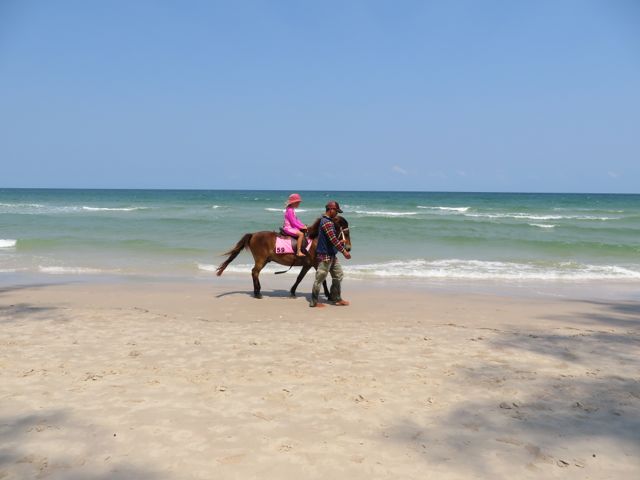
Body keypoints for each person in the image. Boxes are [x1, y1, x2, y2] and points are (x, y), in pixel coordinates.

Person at [310, 200, 351, 308]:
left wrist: (339, 242)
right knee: (320, 278)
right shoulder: (327, 222)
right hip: (325, 255)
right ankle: (314, 302)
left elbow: (330, 239)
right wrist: (344, 251)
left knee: (338, 275)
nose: (337, 214)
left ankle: (335, 298)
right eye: (336, 211)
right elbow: (332, 239)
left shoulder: (328, 221)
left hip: (332, 254)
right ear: (331, 210)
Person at [282, 193, 307, 257]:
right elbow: (293, 222)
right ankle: (298, 251)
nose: (299, 204)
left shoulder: (292, 209)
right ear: (293, 203)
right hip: (288, 228)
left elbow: (296, 220)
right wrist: (301, 227)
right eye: (297, 202)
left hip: (292, 227)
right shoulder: (290, 210)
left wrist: (303, 225)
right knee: (301, 234)